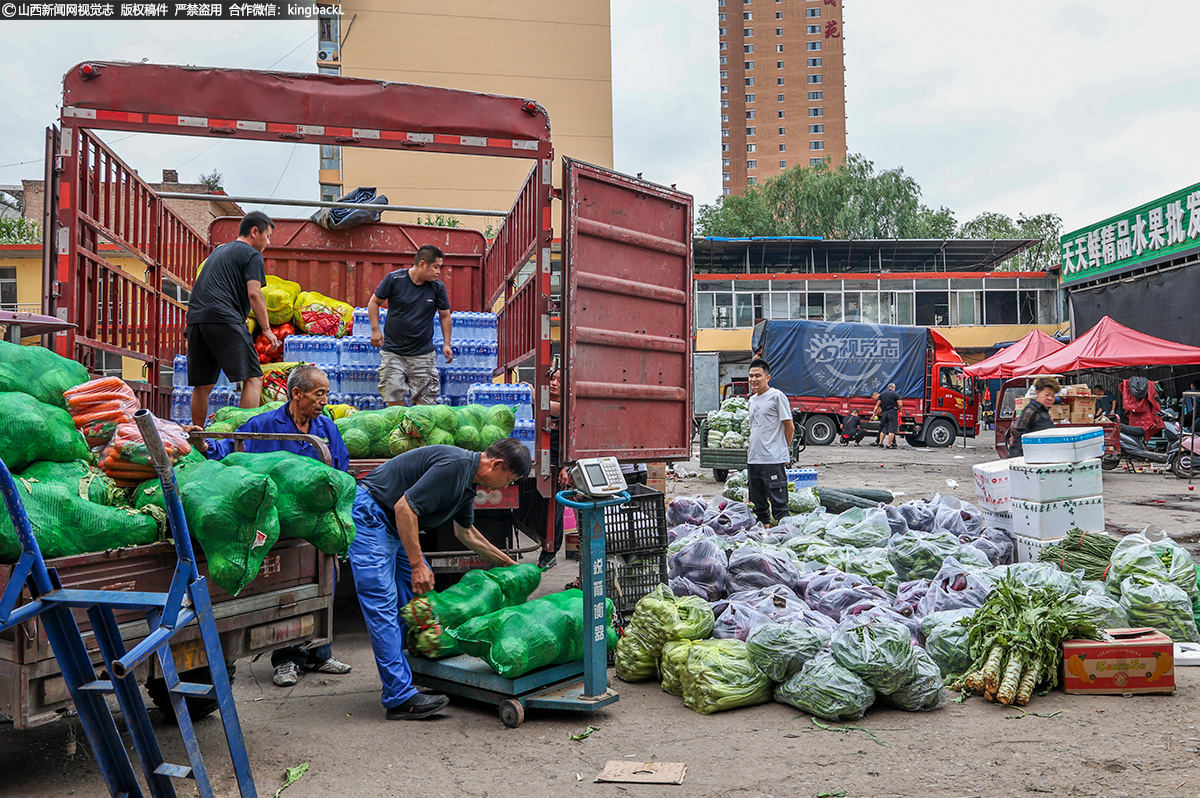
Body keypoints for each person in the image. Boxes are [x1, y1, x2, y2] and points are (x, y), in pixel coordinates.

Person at [349, 439, 531, 720]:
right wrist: (416, 564)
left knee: (418, 602)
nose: (505, 488)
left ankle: (407, 677)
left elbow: (466, 534)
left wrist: (509, 565)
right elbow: (404, 508)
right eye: (508, 480)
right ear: (495, 465)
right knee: (383, 607)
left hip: (393, 525)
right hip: (371, 517)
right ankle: (399, 698)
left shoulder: (468, 483)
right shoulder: (454, 466)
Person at [197, 364, 353, 687]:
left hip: (316, 525)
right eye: (318, 393)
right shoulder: (266, 425)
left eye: (326, 393)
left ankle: (321, 654)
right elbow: (230, 450)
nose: (324, 400)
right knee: (288, 593)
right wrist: (205, 446)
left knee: (326, 584)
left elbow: (342, 469)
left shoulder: (327, 429)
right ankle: (287, 660)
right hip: (281, 526)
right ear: (297, 394)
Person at [185, 211, 279, 426]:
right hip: (223, 317)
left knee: (203, 386)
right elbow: (254, 293)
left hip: (197, 320)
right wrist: (266, 329)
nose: (268, 241)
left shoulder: (218, 252)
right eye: (268, 235)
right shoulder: (252, 254)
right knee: (254, 379)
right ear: (255, 232)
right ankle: (242, 439)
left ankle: (197, 437)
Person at [369, 245, 453, 407]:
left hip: (423, 356)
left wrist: (447, 343)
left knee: (424, 406)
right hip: (393, 353)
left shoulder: (437, 287)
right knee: (394, 402)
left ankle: (416, 432)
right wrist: (375, 330)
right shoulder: (394, 279)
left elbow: (445, 315)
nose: (438, 272)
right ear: (422, 264)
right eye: (436, 267)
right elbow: (374, 302)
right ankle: (400, 432)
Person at [746, 357, 794, 526]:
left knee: (779, 503)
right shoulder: (752, 400)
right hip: (754, 458)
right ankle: (764, 531)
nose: (753, 379)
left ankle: (786, 535)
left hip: (772, 458)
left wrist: (783, 448)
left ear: (767, 377)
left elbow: (789, 426)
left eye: (757, 375)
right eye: (751, 376)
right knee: (759, 504)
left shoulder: (777, 396)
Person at [1007, 376, 1060, 458]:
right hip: (1023, 458)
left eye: (1053, 396)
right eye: (1047, 394)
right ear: (1037, 392)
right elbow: (1016, 429)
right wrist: (1030, 447)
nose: (1050, 398)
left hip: (1039, 456)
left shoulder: (1043, 411)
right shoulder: (1031, 410)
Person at [872, 382, 900, 449]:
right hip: (892, 412)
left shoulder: (882, 395)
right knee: (892, 430)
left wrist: (874, 414)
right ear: (893, 388)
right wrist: (898, 408)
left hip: (884, 413)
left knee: (884, 429)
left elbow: (877, 405)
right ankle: (889, 444)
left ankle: (880, 443)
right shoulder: (895, 394)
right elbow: (900, 404)